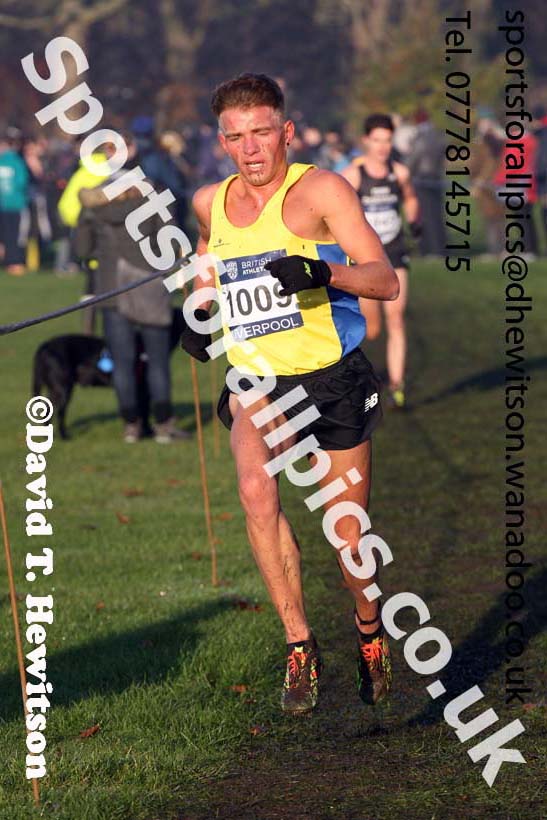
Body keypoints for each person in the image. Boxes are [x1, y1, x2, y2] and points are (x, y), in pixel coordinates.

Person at [186, 74, 399, 713]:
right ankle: (299, 643)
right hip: (259, 381)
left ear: (287, 132)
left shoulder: (322, 191)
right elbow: (207, 261)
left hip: (332, 377)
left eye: (261, 133)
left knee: (348, 535)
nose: (250, 149)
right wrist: (199, 310)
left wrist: (321, 271)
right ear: (222, 142)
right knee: (256, 489)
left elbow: (384, 279)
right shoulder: (209, 201)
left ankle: (369, 629)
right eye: (236, 137)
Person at [342, 113, 420, 408]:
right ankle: (363, 378)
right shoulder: (353, 175)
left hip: (395, 253)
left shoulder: (399, 173)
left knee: (396, 319)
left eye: (387, 140)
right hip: (365, 259)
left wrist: (414, 220)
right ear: (366, 141)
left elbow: (410, 198)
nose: (383, 147)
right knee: (371, 329)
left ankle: (396, 386)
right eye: (377, 140)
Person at [0, 129, 30, 275]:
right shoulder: (18, 162)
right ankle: (13, 263)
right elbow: (22, 182)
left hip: (4, 204)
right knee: (13, 235)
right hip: (14, 204)